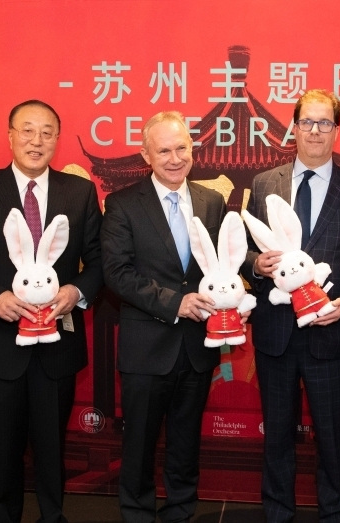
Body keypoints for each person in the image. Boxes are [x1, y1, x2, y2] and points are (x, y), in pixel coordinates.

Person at [0, 100, 103, 523]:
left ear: (57, 139)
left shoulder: (80, 192)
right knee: (5, 449)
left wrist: (76, 290)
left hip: (57, 343)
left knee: (52, 447)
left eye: (47, 132)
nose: (37, 140)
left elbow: (100, 261)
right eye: (27, 130)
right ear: (10, 136)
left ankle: (53, 516)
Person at [243, 89, 340, 522]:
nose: (315, 131)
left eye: (325, 123)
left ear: (337, 130)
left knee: (334, 438)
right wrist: (256, 264)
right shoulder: (265, 183)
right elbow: (244, 252)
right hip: (276, 334)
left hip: (331, 335)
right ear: (294, 128)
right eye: (307, 122)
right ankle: (277, 513)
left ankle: (335, 514)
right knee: (277, 437)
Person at [101, 111, 228, 523]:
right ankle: (137, 514)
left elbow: (226, 259)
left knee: (185, 444)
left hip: (197, 347)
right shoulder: (122, 204)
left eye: (182, 149)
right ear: (146, 155)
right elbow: (117, 273)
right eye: (164, 151)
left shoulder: (211, 201)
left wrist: (256, 266)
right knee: (138, 444)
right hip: (146, 348)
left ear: (193, 150)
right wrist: (175, 303)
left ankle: (180, 511)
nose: (175, 159)